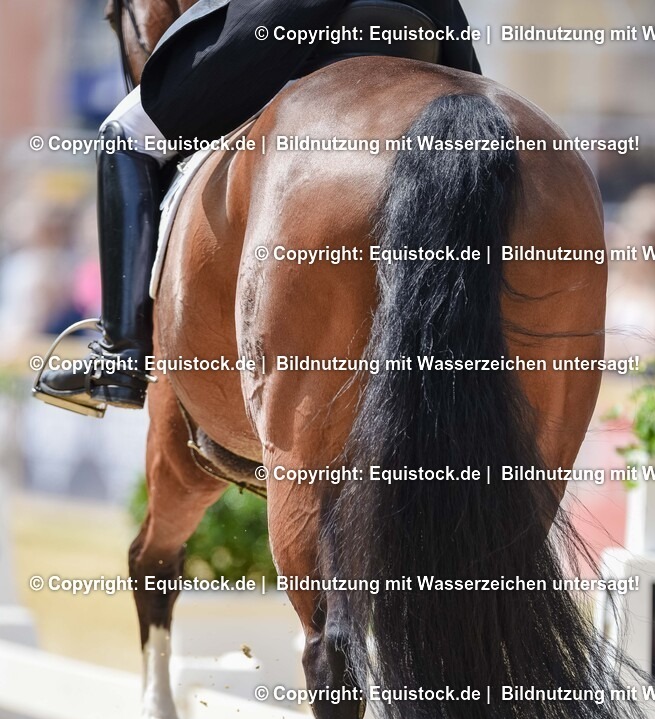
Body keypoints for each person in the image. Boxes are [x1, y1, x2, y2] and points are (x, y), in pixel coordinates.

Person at [34, 0, 480, 415]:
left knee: (125, 133)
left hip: (295, 18)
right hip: (430, 18)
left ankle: (121, 358)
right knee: (486, 147)